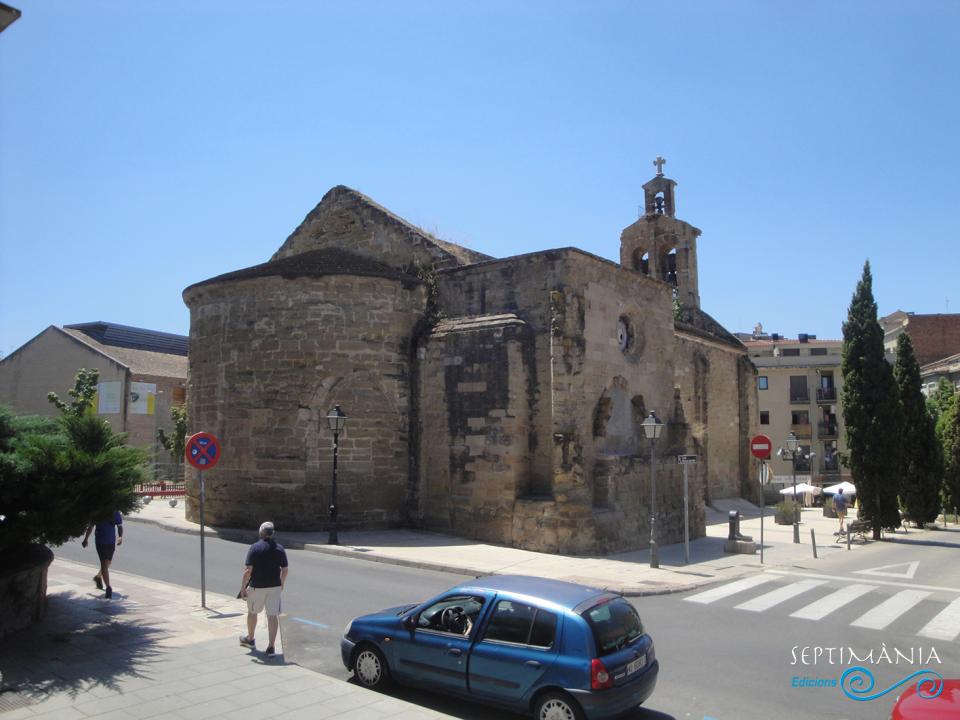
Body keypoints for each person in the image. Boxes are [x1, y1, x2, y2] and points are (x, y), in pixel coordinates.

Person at [238, 521, 288, 656]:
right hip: (275, 587)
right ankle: (271, 647)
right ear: (273, 533)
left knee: (253, 612)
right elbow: (285, 570)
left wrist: (243, 588)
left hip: (257, 587)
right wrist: (281, 583)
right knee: (272, 616)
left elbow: (248, 571)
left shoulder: (254, 548)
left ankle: (250, 639)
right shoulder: (279, 549)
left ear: (261, 533)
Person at [81, 511, 123, 599]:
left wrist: (120, 537)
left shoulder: (115, 512)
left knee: (108, 562)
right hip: (100, 541)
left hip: (111, 541)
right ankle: (108, 587)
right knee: (104, 564)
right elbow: (91, 526)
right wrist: (86, 539)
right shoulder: (98, 511)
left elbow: (119, 525)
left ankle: (98, 577)